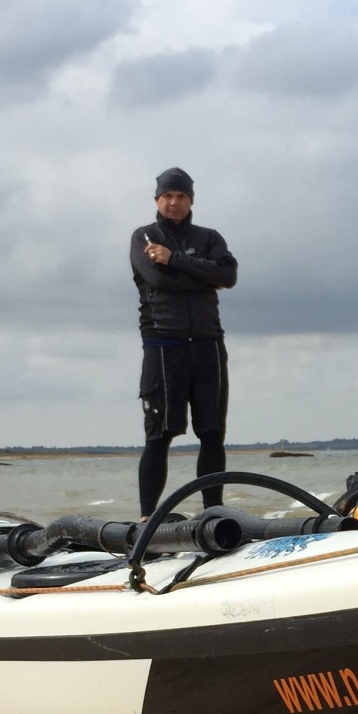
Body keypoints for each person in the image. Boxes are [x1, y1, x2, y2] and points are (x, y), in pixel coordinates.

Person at [130, 167, 239, 516]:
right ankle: (148, 516)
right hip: (164, 344)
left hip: (208, 344)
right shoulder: (145, 236)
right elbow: (158, 280)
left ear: (191, 199)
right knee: (160, 436)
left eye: (180, 196)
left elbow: (229, 275)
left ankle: (213, 513)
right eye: (167, 196)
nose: (173, 202)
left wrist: (176, 259)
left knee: (211, 433)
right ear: (157, 200)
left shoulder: (209, 237)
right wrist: (204, 276)